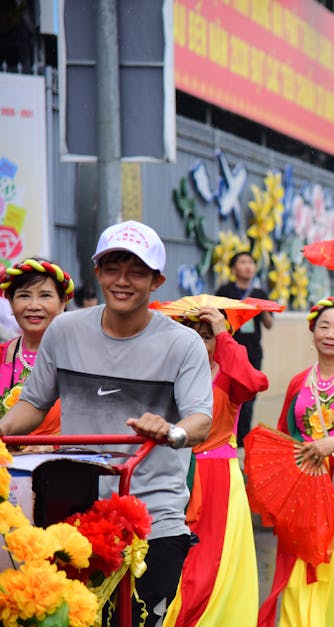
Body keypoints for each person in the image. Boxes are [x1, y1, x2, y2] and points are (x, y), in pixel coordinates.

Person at [0, 220, 213, 627]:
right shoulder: (65, 330)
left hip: (153, 519)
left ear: (157, 281)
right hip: (75, 516)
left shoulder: (182, 343)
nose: (123, 281)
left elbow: (200, 420)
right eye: (113, 268)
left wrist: (171, 431)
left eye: (137, 271)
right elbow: (32, 404)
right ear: (96, 272)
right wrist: (2, 431)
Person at [259, 297, 334, 627]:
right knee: (299, 577)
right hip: (304, 494)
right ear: (312, 331)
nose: (330, 334)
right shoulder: (299, 381)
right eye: (324, 326)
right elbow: (284, 436)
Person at [163, 306, 268, 625]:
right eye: (192, 333)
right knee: (172, 557)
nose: (199, 341)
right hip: (172, 475)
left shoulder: (228, 375)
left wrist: (223, 333)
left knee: (209, 564)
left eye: (206, 336)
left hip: (216, 478)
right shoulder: (167, 375)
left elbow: (254, 383)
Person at [0, 259, 74, 436]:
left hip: (63, 460)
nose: (33, 306)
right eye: (24, 295)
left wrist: (52, 446)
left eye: (45, 295)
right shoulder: (2, 354)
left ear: (63, 302)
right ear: (10, 302)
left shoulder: (80, 357)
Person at [215, 251, 273, 446]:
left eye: (251, 262)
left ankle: (243, 438)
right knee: (229, 394)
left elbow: (269, 324)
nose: (248, 266)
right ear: (233, 268)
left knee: (249, 395)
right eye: (243, 262)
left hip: (253, 352)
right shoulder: (225, 291)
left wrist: (261, 308)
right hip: (230, 350)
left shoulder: (259, 293)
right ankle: (227, 433)